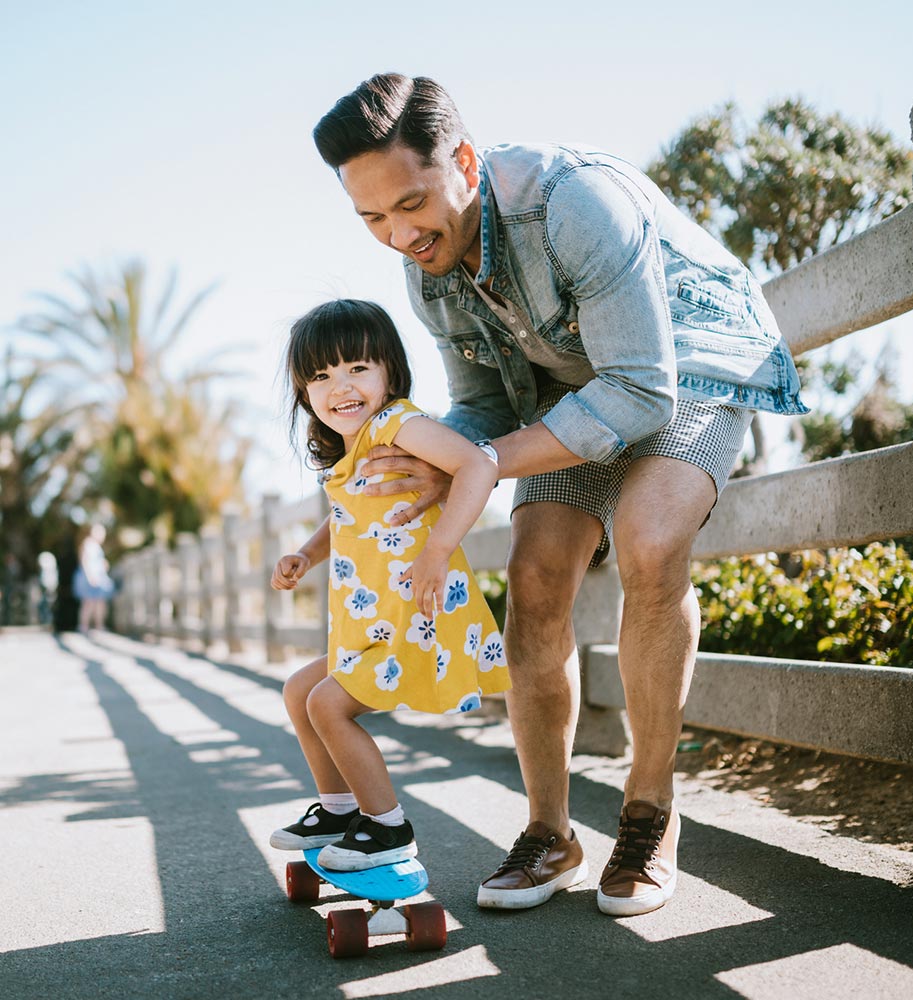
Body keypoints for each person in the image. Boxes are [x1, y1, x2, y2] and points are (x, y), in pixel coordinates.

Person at [297, 73, 808, 913]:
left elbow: (642, 391)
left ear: (462, 159)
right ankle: (550, 832)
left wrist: (485, 461)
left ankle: (649, 812)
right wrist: (442, 455)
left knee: (647, 541)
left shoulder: (572, 202)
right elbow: (489, 407)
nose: (399, 234)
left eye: (411, 204)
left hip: (692, 370)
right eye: (372, 219)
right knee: (534, 580)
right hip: (565, 396)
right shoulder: (424, 273)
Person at [268, 298, 511, 871]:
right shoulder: (355, 448)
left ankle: (387, 827)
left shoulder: (397, 423)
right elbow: (350, 515)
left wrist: (438, 549)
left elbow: (478, 465)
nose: (340, 386)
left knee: (329, 705)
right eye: (321, 376)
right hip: (374, 621)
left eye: (357, 367)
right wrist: (306, 552)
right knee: (300, 692)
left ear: (389, 371)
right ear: (305, 392)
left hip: (415, 613)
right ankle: (338, 809)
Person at [73, 524, 114, 633]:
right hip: (90, 577)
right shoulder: (89, 544)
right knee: (89, 602)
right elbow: (85, 561)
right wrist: (90, 576)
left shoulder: (95, 545)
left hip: (98, 577)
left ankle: (98, 625)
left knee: (99, 602)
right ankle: (84, 626)